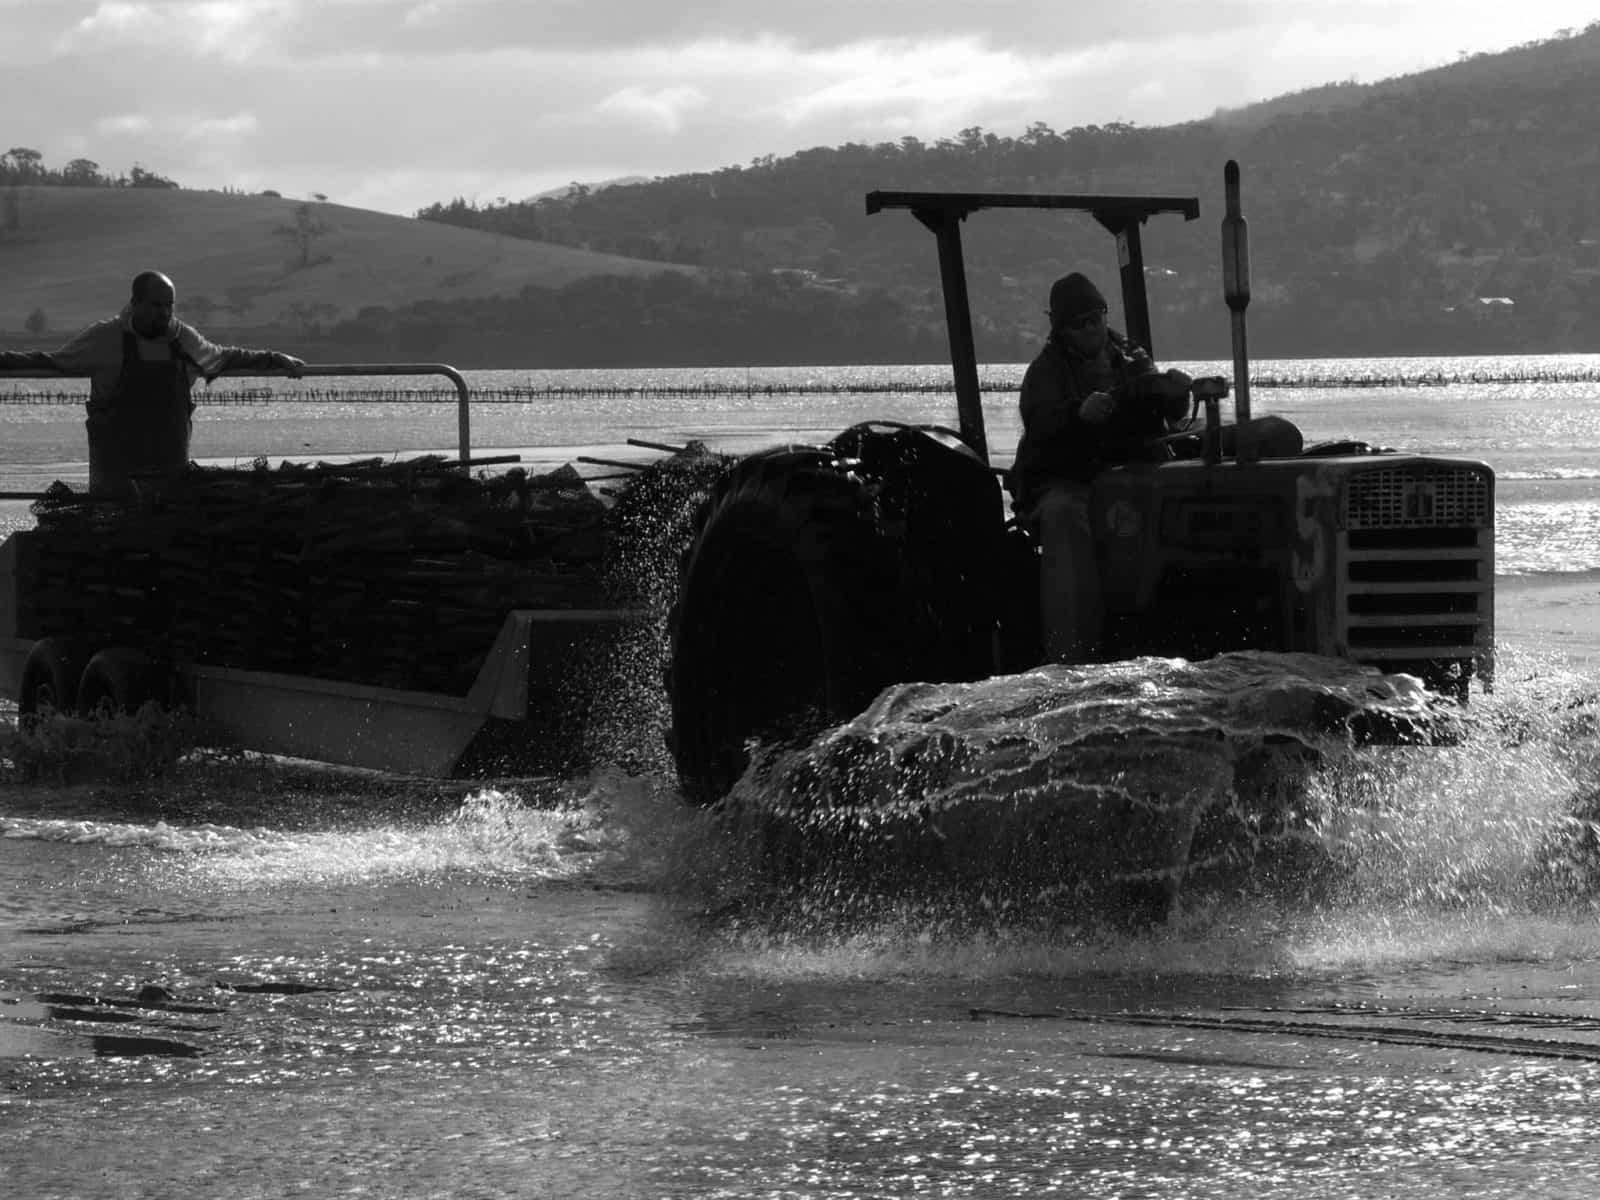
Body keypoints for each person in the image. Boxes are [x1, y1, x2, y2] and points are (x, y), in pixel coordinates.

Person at [1008, 272, 1193, 663]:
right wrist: (1078, 414)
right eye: (1081, 323)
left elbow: (1162, 409)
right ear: (1062, 330)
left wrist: (1177, 394)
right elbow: (1041, 427)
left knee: (1181, 493)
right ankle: (1073, 655)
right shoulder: (1045, 372)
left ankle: (1174, 633)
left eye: (1097, 317)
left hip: (1129, 470)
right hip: (1066, 475)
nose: (1092, 328)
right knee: (1064, 515)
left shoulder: (1133, 358)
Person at [45, 271, 304, 497]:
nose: (165, 313)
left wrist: (274, 359)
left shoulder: (184, 339)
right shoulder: (104, 337)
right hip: (114, 474)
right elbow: (52, 362)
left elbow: (226, 357)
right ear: (135, 303)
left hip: (169, 470)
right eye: (157, 305)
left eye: (170, 305)